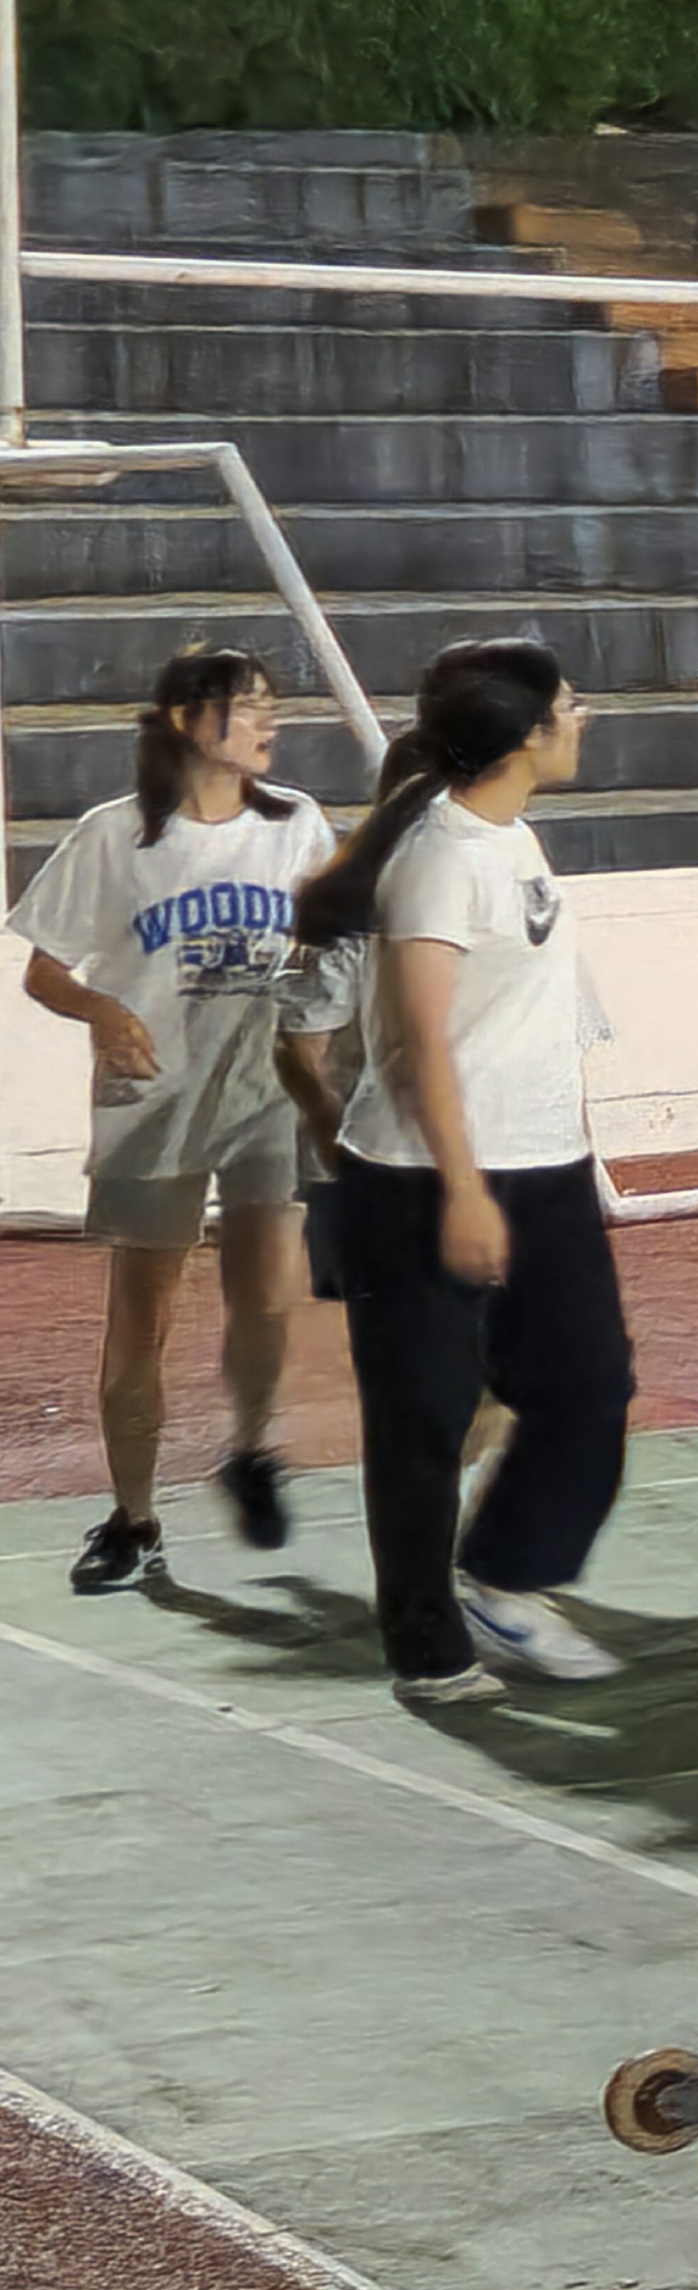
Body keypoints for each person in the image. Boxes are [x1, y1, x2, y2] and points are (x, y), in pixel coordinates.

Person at [287, 641, 633, 1710]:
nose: (583, 718)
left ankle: (507, 1573)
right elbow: (421, 1044)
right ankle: (426, 1648)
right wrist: (467, 1188)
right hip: (425, 1178)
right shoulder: (438, 858)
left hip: (546, 1168)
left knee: (589, 1384)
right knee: (423, 1424)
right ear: (525, 734)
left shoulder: (512, 837)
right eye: (569, 705)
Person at [19, 648, 323, 1593]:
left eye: (272, 705)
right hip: (154, 1097)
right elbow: (44, 971)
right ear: (191, 721)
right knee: (141, 1314)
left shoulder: (298, 824)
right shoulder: (115, 835)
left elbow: (335, 941)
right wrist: (105, 1011)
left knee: (264, 1293)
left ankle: (250, 1451)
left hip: (263, 1090)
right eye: (250, 707)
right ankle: (134, 1518)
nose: (270, 723)